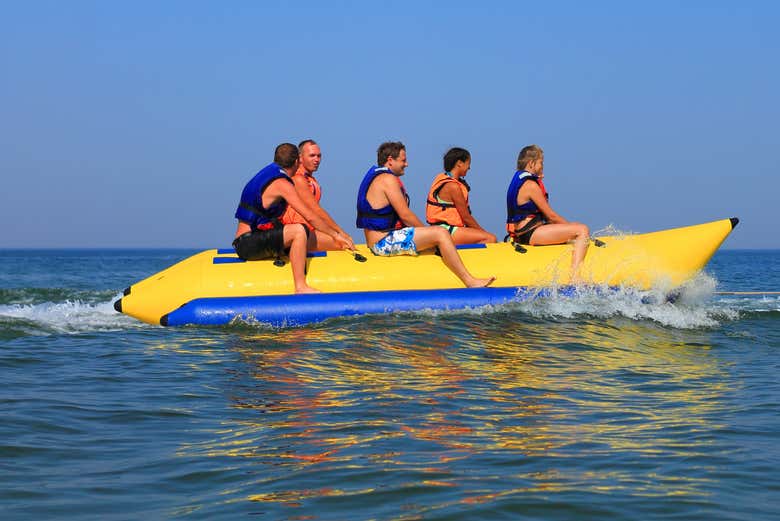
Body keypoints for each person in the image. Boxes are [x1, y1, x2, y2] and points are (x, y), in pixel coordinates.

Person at [356, 141, 496, 288]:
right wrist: (427, 232)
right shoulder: (387, 179)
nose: (407, 164)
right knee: (440, 234)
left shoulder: (377, 177)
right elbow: (405, 215)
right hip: (383, 242)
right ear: (390, 160)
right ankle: (469, 281)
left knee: (436, 236)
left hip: (382, 239)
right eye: (403, 160)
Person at [233, 143, 353, 294]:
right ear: (297, 161)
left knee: (316, 237)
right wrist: (336, 234)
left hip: (254, 239)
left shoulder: (268, 174)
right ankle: (300, 286)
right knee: (298, 231)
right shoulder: (282, 183)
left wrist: (335, 238)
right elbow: (310, 216)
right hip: (247, 244)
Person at [506, 144, 590, 278]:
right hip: (530, 234)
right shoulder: (531, 185)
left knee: (573, 226)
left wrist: (568, 226)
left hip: (523, 232)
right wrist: (570, 227)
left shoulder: (520, 180)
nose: (542, 167)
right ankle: (575, 277)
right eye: (541, 163)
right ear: (532, 163)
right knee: (581, 230)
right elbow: (551, 216)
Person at [281, 139, 355, 251]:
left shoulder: (309, 179)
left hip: (309, 230)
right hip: (297, 232)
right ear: (300, 158)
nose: (317, 159)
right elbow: (316, 210)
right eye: (312, 156)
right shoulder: (299, 179)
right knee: (343, 244)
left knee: (343, 241)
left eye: (319, 156)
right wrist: (340, 232)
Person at [425, 147, 497, 245]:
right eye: (468, 163)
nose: (469, 167)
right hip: (446, 231)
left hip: (441, 229)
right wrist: (484, 232)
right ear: (459, 163)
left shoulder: (444, 179)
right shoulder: (453, 186)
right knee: (490, 239)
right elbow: (466, 217)